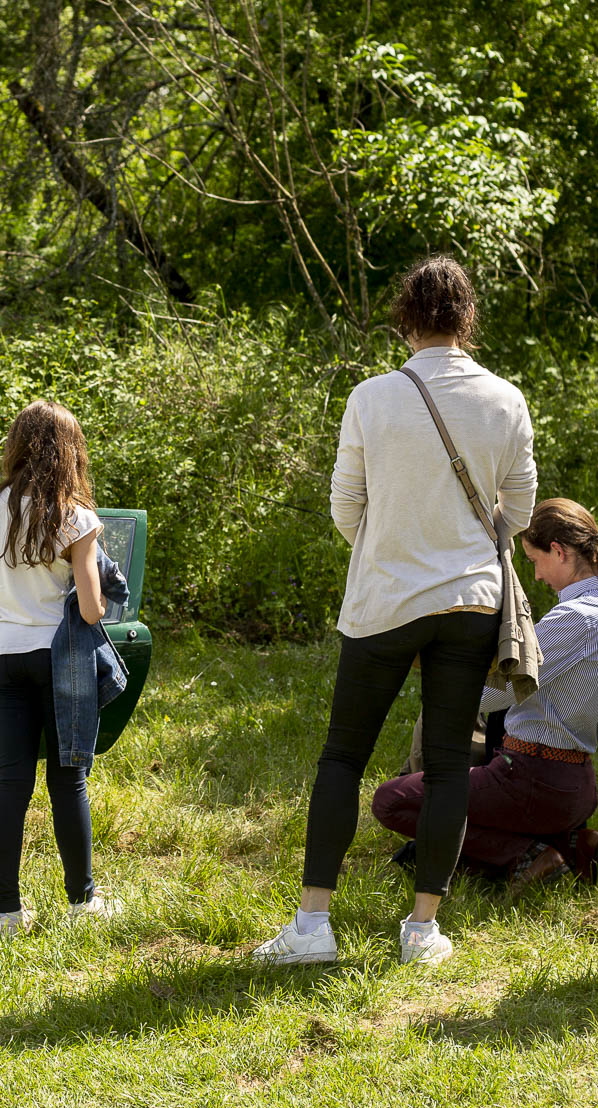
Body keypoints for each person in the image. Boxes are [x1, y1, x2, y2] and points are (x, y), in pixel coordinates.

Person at [253, 257, 537, 967]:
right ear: (468, 319)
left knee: (342, 757)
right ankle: (422, 930)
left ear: (405, 319)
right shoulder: (506, 398)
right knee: (448, 763)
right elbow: (521, 512)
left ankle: (314, 924)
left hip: (383, 597)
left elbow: (345, 506)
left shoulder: (371, 397)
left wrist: (388, 546)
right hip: (470, 598)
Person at [370, 499, 598, 896]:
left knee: (393, 800)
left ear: (559, 550)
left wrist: (441, 670)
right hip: (573, 783)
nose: (534, 576)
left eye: (535, 560)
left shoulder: (577, 618)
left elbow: (494, 694)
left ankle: (527, 855)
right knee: (462, 798)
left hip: (535, 781)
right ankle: (571, 846)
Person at [0, 400, 115, 935]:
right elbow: (95, 609)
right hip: (61, 658)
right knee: (68, 781)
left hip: (9, 656)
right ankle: (82, 904)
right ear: (68, 452)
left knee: (12, 784)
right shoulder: (74, 516)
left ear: (18, 447)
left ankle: (7, 911)